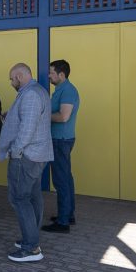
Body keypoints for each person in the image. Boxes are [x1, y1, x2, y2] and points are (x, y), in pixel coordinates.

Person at [0, 63, 53, 263]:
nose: (11, 82)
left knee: (20, 198)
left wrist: (16, 151)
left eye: (12, 79)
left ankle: (32, 247)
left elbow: (27, 130)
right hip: (37, 155)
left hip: (27, 156)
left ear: (19, 76)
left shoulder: (29, 95)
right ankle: (31, 237)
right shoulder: (39, 91)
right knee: (32, 196)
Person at [44, 60, 80, 233]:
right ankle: (68, 214)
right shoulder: (61, 90)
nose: (49, 75)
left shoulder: (68, 91)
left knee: (61, 180)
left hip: (60, 140)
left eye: (51, 73)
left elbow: (63, 116)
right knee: (66, 177)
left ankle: (63, 222)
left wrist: (42, 115)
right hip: (61, 139)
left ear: (61, 74)